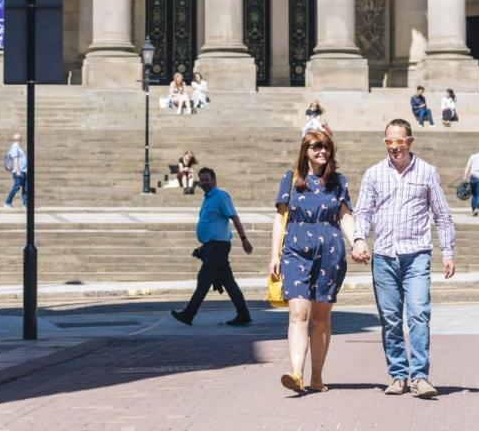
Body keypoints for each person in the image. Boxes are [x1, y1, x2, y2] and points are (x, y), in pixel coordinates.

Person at [352, 118, 455, 399]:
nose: (394, 147)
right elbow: (362, 212)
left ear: (410, 141)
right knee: (391, 319)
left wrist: (447, 252)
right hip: (384, 256)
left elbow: (442, 215)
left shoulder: (427, 172)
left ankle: (420, 376)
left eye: (399, 141)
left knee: (419, 314)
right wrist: (359, 238)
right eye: (389, 142)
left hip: (417, 255)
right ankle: (398, 375)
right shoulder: (374, 174)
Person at [269, 130, 354, 394]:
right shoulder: (291, 179)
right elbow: (280, 218)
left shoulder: (338, 181)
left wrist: (357, 242)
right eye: (316, 146)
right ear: (305, 150)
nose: (322, 151)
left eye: (327, 147)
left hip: (330, 252)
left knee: (321, 317)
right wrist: (275, 254)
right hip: (296, 250)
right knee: (298, 313)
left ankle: (316, 377)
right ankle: (296, 373)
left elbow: (345, 217)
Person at [171, 167, 253, 327]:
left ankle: (189, 314)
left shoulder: (221, 196)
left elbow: (234, 217)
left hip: (218, 247)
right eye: (201, 180)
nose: (204, 183)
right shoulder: (208, 198)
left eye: (207, 180)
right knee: (229, 282)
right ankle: (243, 314)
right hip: (212, 247)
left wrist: (244, 238)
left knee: (204, 280)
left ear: (214, 180)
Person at [4, 133, 28, 209]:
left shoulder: (18, 147)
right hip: (19, 171)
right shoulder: (15, 148)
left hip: (23, 170)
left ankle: (25, 204)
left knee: (25, 187)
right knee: (16, 187)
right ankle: (8, 202)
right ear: (19, 139)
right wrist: (18, 170)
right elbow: (15, 159)